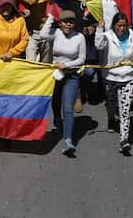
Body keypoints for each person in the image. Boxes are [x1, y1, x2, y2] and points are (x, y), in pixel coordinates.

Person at [95, 11, 133, 154]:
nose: (122, 29)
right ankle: (110, 118)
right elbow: (99, 45)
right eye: (119, 26)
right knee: (111, 102)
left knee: (125, 109)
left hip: (127, 77)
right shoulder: (107, 36)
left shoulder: (132, 35)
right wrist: (99, 29)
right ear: (114, 26)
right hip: (111, 76)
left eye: (124, 26)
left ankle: (124, 139)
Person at [49, 9, 88, 156]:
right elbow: (43, 35)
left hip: (71, 75)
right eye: (65, 22)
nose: (68, 25)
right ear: (60, 23)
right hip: (55, 74)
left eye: (71, 22)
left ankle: (68, 140)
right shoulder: (56, 33)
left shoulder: (80, 37)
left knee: (68, 107)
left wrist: (68, 65)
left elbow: (81, 59)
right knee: (55, 100)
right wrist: (49, 20)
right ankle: (57, 121)